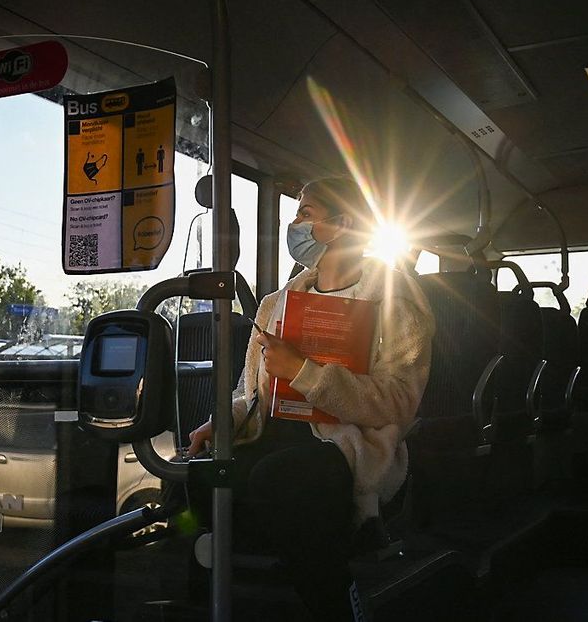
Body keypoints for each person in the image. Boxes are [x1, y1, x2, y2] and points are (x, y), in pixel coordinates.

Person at [186, 176, 434, 621]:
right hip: (277, 430)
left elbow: (399, 400)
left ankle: (337, 600)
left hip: (347, 443)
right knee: (203, 474)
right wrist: (223, 420)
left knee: (279, 478)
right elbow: (254, 393)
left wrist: (306, 373)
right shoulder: (277, 304)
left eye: (306, 213)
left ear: (343, 223)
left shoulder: (394, 299)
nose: (295, 224)